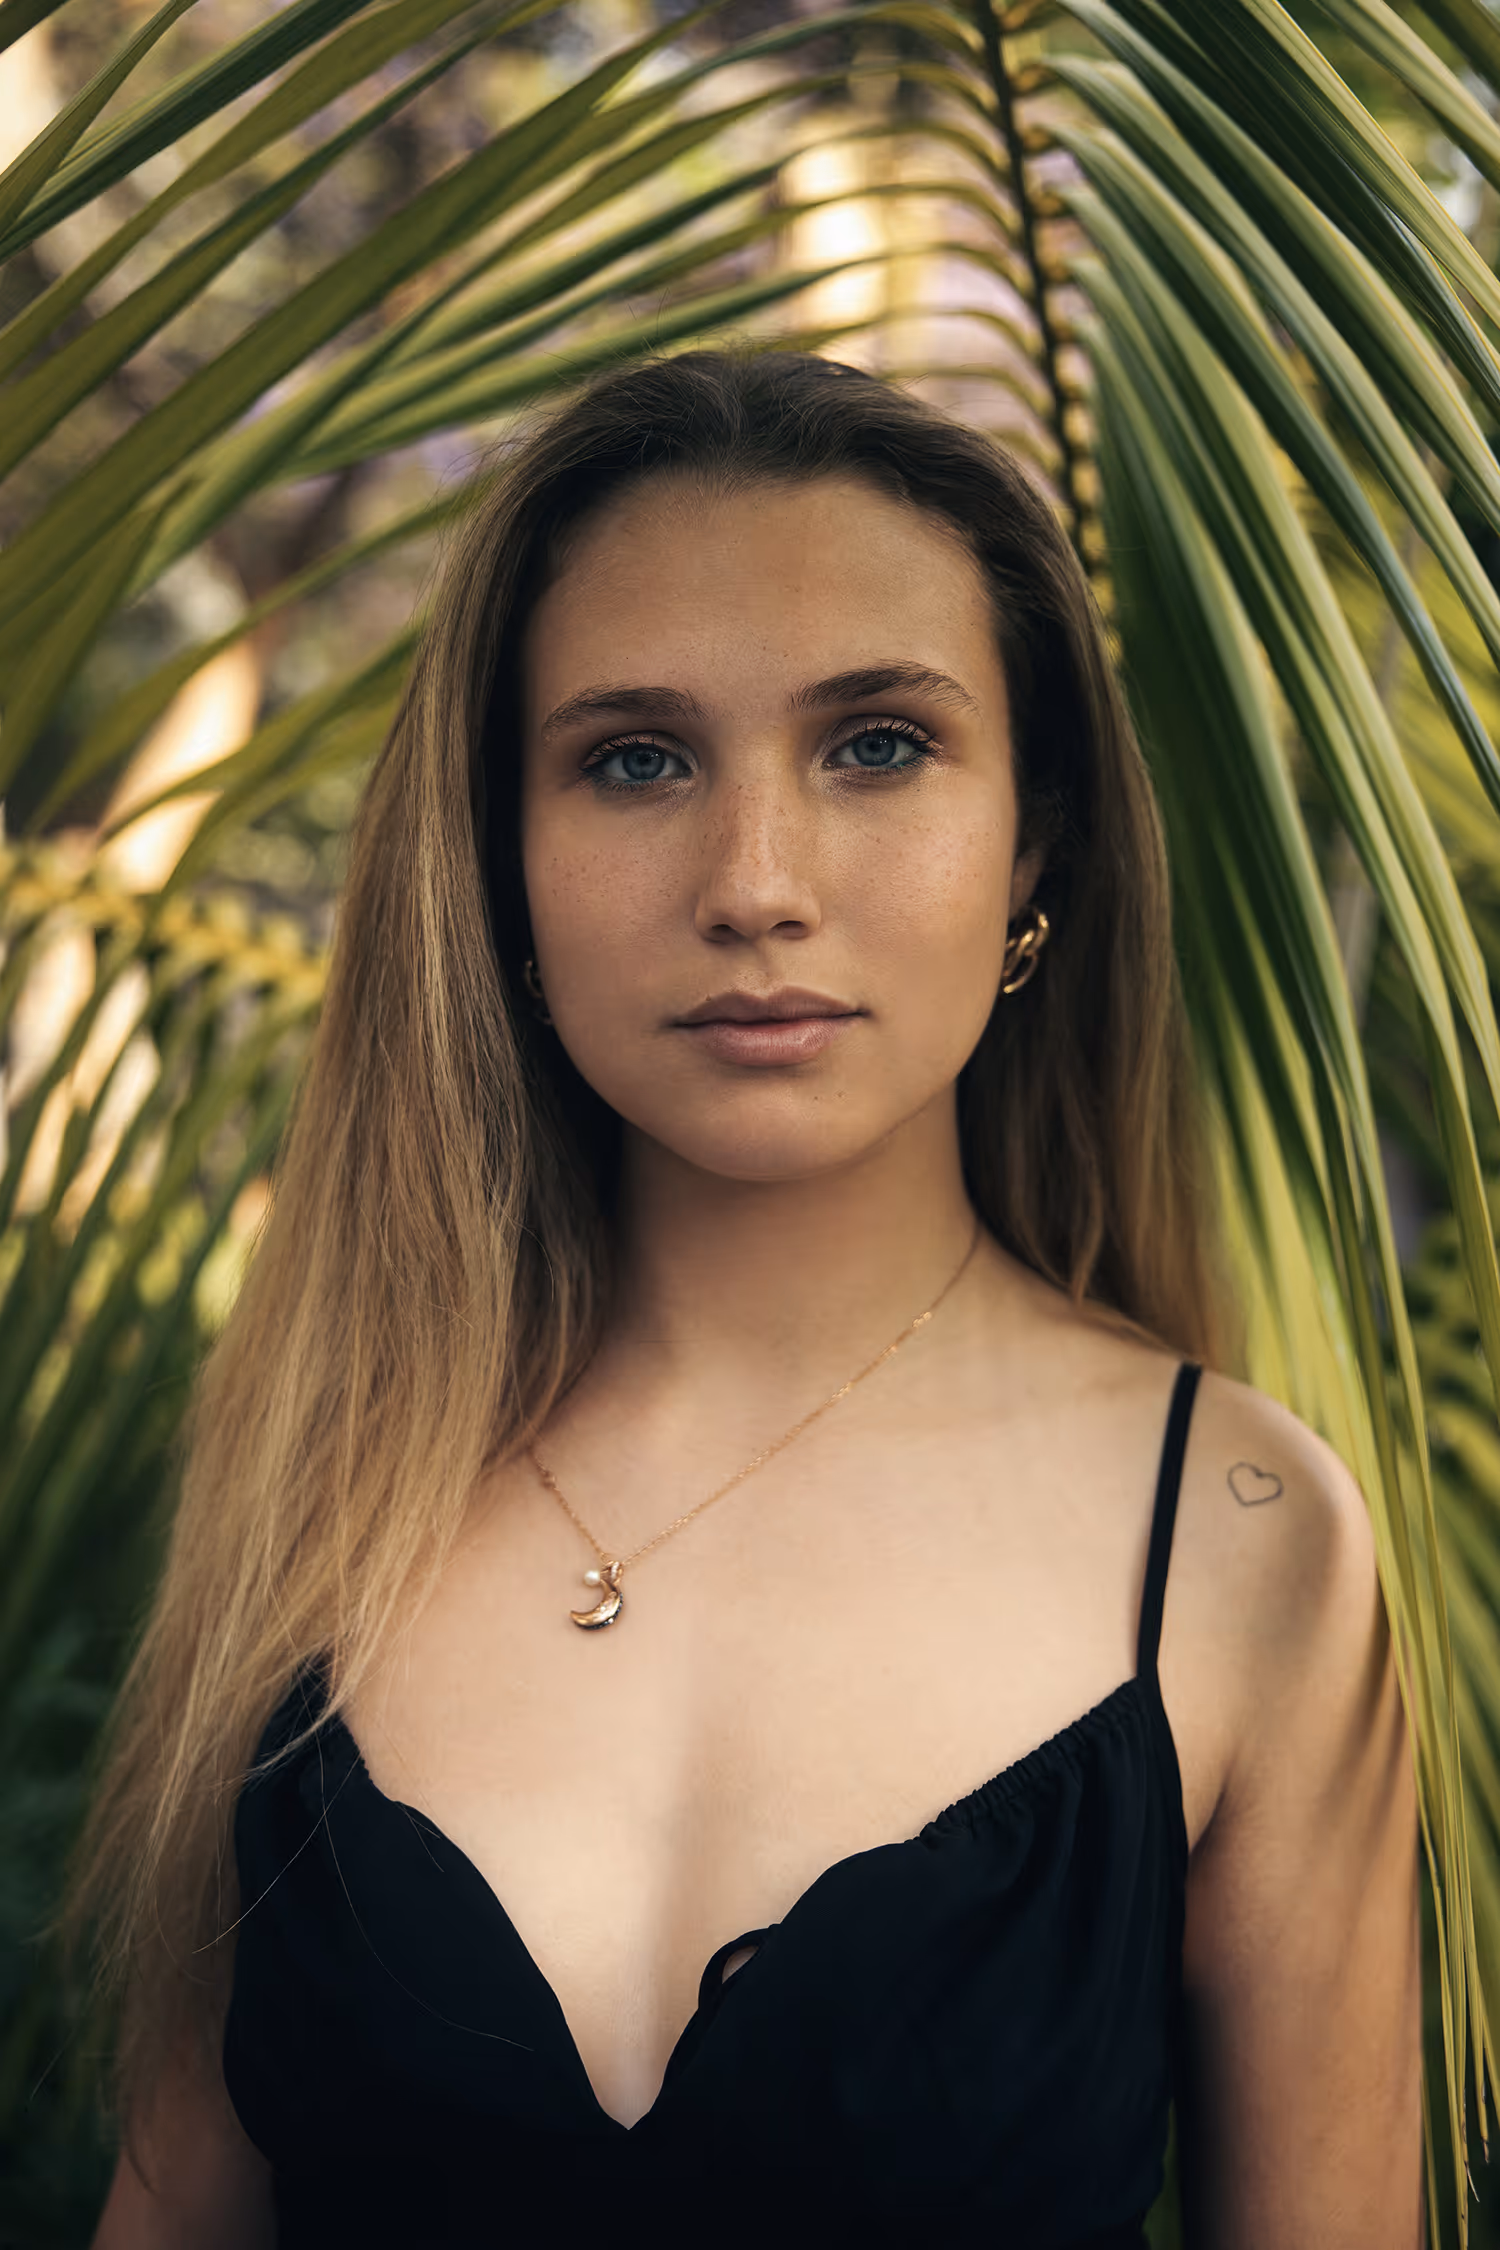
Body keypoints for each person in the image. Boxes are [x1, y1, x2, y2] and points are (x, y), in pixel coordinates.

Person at [84, 350, 1420, 2248]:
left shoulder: (1237, 1541)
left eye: (877, 741)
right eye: (636, 756)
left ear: (1036, 842)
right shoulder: (336, 1459)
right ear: (502, 863)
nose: (756, 882)